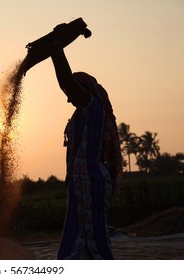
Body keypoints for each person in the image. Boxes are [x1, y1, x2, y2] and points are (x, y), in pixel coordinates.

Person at [50, 36, 123, 259]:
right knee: (73, 237)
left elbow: (65, 81)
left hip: (93, 181)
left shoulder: (92, 107)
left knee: (95, 237)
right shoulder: (79, 115)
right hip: (79, 182)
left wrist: (56, 49)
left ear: (84, 91)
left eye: (72, 94)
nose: (68, 100)